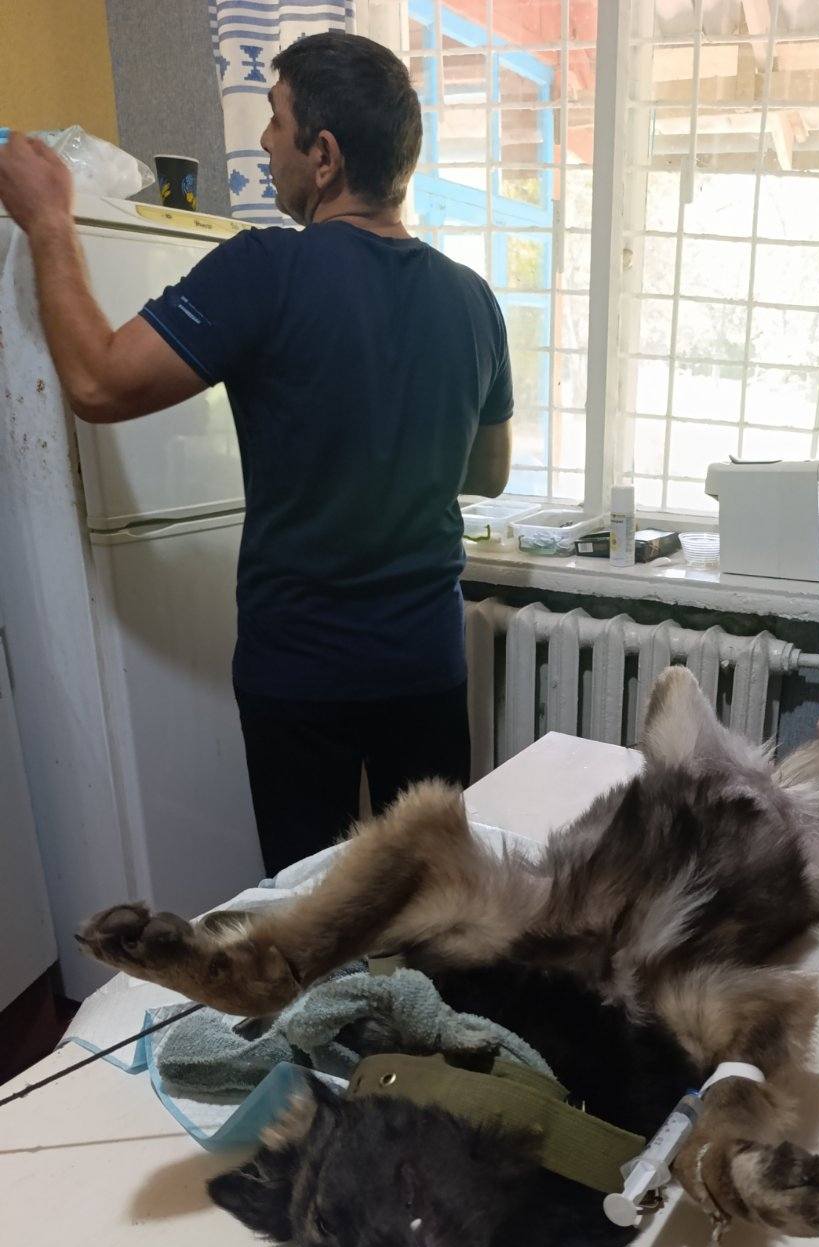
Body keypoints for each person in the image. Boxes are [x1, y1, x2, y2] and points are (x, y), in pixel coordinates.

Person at [0, 32, 512, 876]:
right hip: (425, 661)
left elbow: (95, 381)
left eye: (276, 122)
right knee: (427, 902)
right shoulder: (474, 300)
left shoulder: (266, 268)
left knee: (305, 910)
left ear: (325, 154)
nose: (267, 144)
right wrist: (395, 443)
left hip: (301, 673)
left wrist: (50, 222)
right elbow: (486, 474)